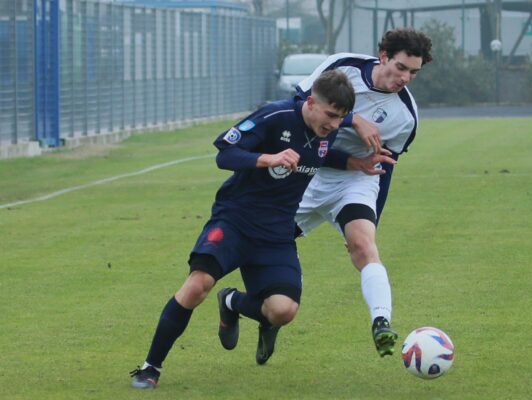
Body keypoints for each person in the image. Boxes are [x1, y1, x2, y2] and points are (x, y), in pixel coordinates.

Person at [130, 70, 391, 389]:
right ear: (311, 103)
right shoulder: (275, 115)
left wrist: (354, 163)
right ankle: (150, 367)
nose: (335, 125)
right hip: (235, 220)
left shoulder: (327, 128)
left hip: (277, 233)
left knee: (283, 311)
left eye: (341, 119)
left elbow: (318, 154)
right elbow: (225, 153)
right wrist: (268, 158)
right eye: (331, 116)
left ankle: (232, 303)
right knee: (198, 285)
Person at [293, 28, 433, 358]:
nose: (406, 78)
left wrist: (372, 221)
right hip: (308, 170)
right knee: (266, 242)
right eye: (401, 67)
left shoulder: (405, 117)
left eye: (414, 72)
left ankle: (381, 321)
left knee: (364, 246)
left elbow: (384, 170)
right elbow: (299, 103)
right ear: (383, 56)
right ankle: (242, 304)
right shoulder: (343, 66)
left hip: (356, 178)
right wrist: (353, 119)